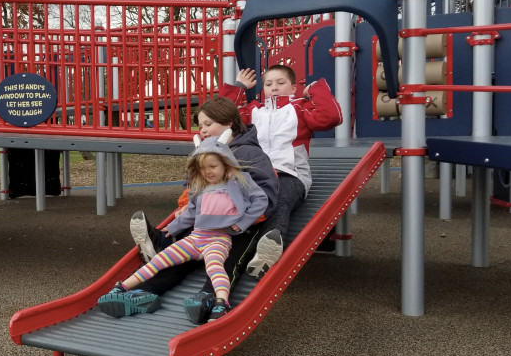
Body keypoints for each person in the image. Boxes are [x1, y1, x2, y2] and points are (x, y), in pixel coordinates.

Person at [98, 97, 278, 323]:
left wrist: (241, 220)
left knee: (225, 261)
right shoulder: (202, 153)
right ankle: (145, 291)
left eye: (208, 124)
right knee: (176, 255)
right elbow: (192, 189)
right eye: (200, 125)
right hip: (203, 226)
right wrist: (183, 211)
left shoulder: (249, 152)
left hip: (239, 226)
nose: (202, 130)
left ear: (229, 123)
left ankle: (211, 299)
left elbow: (266, 194)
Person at [224, 64, 343, 278]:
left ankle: (270, 244)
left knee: (279, 198)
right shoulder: (253, 111)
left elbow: (331, 117)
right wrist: (239, 87)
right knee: (231, 199)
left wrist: (315, 89)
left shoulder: (300, 108)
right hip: (255, 175)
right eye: (269, 84)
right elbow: (222, 118)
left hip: (290, 174)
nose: (274, 88)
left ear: (293, 88)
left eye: (281, 83)